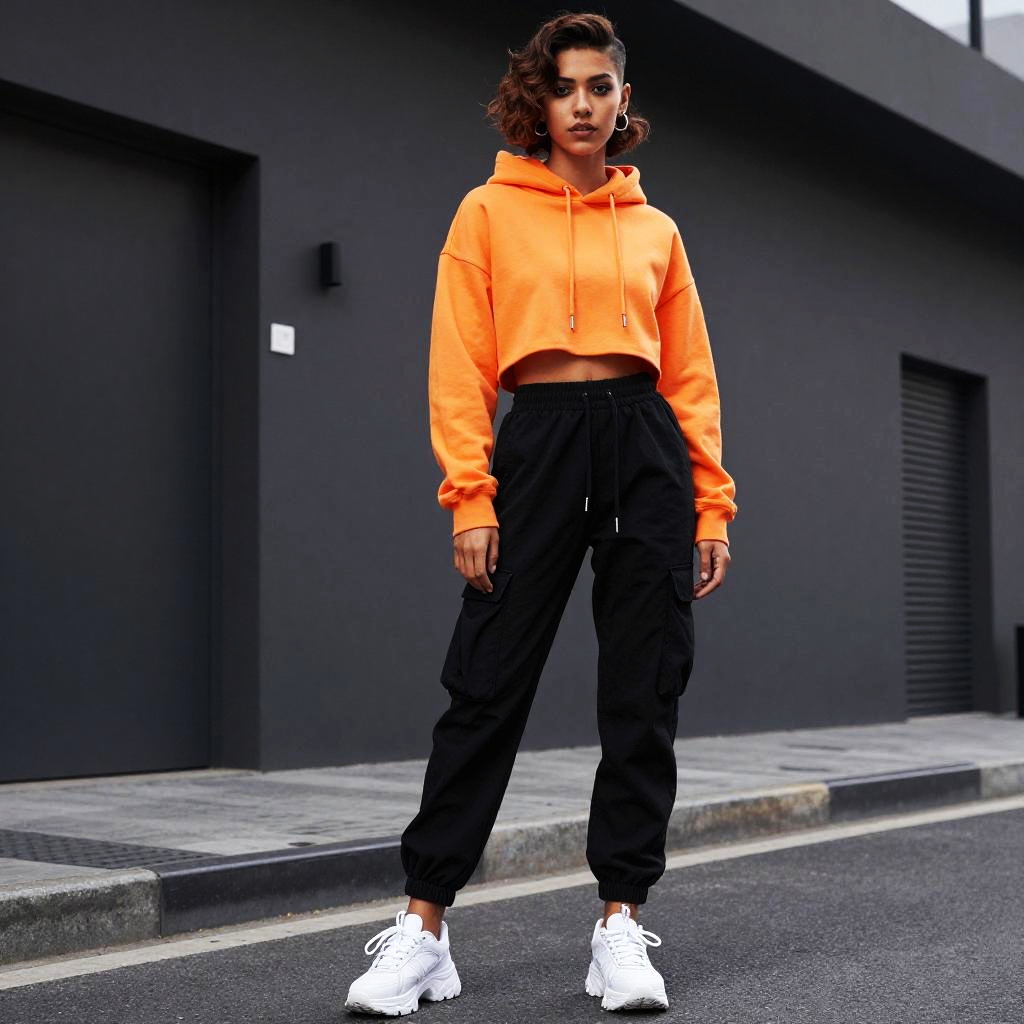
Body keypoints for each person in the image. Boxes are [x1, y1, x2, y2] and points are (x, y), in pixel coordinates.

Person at [345, 10, 737, 1016]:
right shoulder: (486, 212)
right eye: (564, 87)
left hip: (644, 445)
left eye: (598, 87)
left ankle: (618, 923)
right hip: (540, 440)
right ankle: (424, 924)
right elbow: (459, 363)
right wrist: (469, 492)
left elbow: (689, 376)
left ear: (621, 103)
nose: (581, 104)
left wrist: (710, 504)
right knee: (485, 680)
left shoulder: (656, 230)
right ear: (539, 98)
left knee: (643, 686)